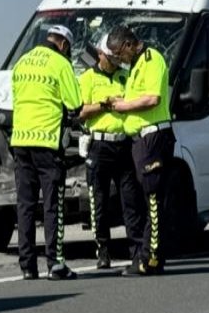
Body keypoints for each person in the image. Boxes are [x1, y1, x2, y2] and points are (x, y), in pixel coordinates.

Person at [10, 24, 82, 281]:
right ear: (64, 44)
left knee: (25, 206)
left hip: (20, 141)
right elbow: (75, 103)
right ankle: (55, 263)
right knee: (53, 206)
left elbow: (14, 98)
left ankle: (28, 266)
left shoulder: (22, 62)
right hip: (47, 144)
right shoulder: (60, 64)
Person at [107, 25, 175, 276]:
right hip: (139, 141)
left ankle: (152, 259)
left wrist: (124, 106)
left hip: (153, 137)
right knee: (140, 202)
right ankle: (143, 256)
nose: (117, 59)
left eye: (118, 53)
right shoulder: (134, 66)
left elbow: (152, 99)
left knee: (154, 201)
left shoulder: (151, 59)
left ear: (127, 45)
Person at [78, 34, 146, 270]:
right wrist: (104, 105)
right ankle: (102, 250)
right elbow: (79, 112)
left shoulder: (125, 77)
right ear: (100, 55)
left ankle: (136, 251)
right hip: (99, 145)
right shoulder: (87, 78)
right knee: (99, 201)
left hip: (123, 143)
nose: (116, 60)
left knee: (131, 200)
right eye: (111, 57)